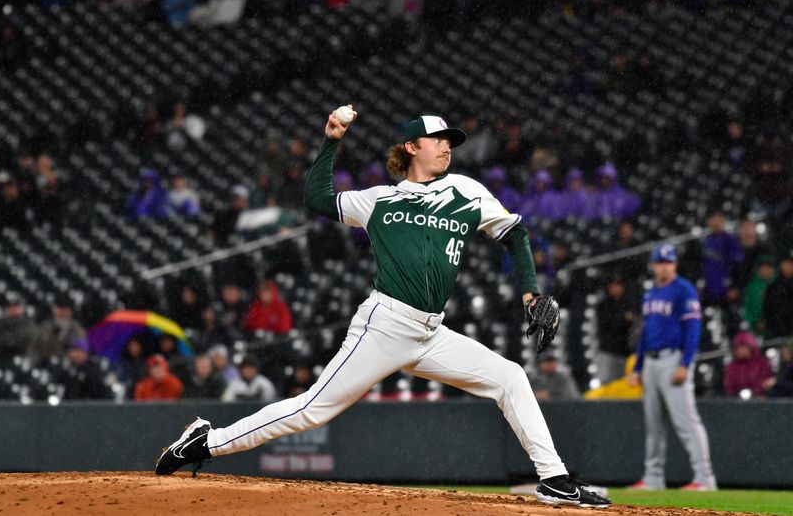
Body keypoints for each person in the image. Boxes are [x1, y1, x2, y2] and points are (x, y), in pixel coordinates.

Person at [155, 110, 610, 508]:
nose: (447, 147)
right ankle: (204, 442)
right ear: (412, 147)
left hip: (431, 333)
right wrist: (331, 140)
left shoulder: (468, 192)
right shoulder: (379, 200)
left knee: (510, 376)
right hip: (385, 324)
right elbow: (317, 199)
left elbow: (514, 233)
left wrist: (530, 293)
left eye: (451, 141)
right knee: (312, 409)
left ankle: (553, 479)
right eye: (438, 140)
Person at [627, 243, 717, 491]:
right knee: (653, 427)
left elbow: (693, 329)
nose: (665, 266)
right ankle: (653, 478)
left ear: (675, 264)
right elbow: (645, 334)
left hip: (673, 360)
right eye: (661, 262)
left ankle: (704, 478)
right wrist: (637, 367)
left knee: (686, 422)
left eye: (669, 261)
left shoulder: (684, 290)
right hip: (652, 364)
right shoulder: (651, 293)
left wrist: (685, 363)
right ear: (654, 265)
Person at [595, 274, 638, 385]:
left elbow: (635, 326)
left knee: (625, 387)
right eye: (612, 285)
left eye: (618, 285)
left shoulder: (629, 303)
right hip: (608, 353)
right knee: (607, 386)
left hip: (626, 353)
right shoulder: (602, 305)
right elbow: (611, 325)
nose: (615, 288)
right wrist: (624, 319)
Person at [30, 294, 87, 364]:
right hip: (42, 362)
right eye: (59, 308)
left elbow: (81, 355)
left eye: (64, 309)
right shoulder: (46, 325)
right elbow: (34, 346)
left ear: (69, 311)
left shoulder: (76, 329)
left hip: (64, 365)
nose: (61, 312)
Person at [722, 331, 773, 397]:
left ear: (751, 347)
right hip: (736, 399)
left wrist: (757, 390)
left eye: (743, 347)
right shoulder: (732, 366)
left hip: (758, 398)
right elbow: (729, 385)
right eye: (737, 347)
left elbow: (766, 383)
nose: (740, 350)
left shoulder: (762, 363)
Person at [759, 251, 793, 339]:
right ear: (781, 264)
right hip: (776, 332)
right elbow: (766, 308)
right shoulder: (773, 286)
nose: (789, 266)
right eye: (787, 263)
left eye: (791, 263)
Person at [0, 295, 38, 359]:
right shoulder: (3, 318)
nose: (11, 308)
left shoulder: (26, 324)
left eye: (15, 307)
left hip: (6, 355)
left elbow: (8, 340)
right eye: (11, 306)